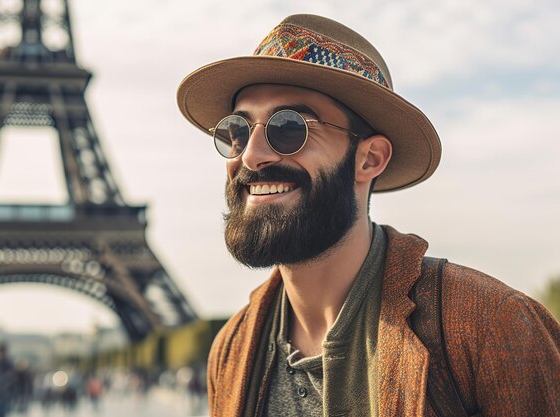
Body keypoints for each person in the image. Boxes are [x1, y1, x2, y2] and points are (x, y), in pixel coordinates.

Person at [176, 14, 560, 417]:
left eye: (288, 127)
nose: (251, 155)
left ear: (369, 158)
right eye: (237, 131)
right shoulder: (231, 349)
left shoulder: (492, 326)